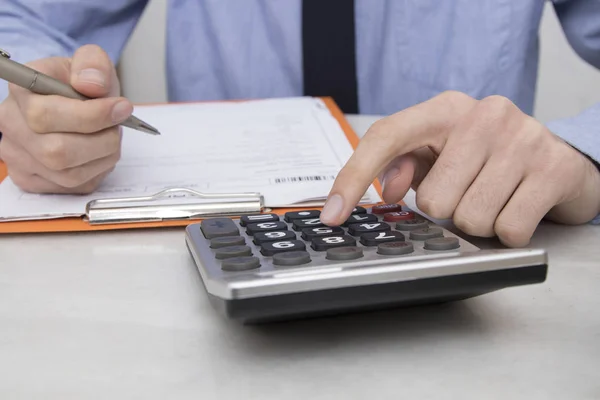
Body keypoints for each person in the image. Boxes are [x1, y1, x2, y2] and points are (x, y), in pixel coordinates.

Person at [0, 1, 599, 247]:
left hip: (470, 241)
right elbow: (20, 16)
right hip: (193, 249)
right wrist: (36, 112)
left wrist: (584, 157)